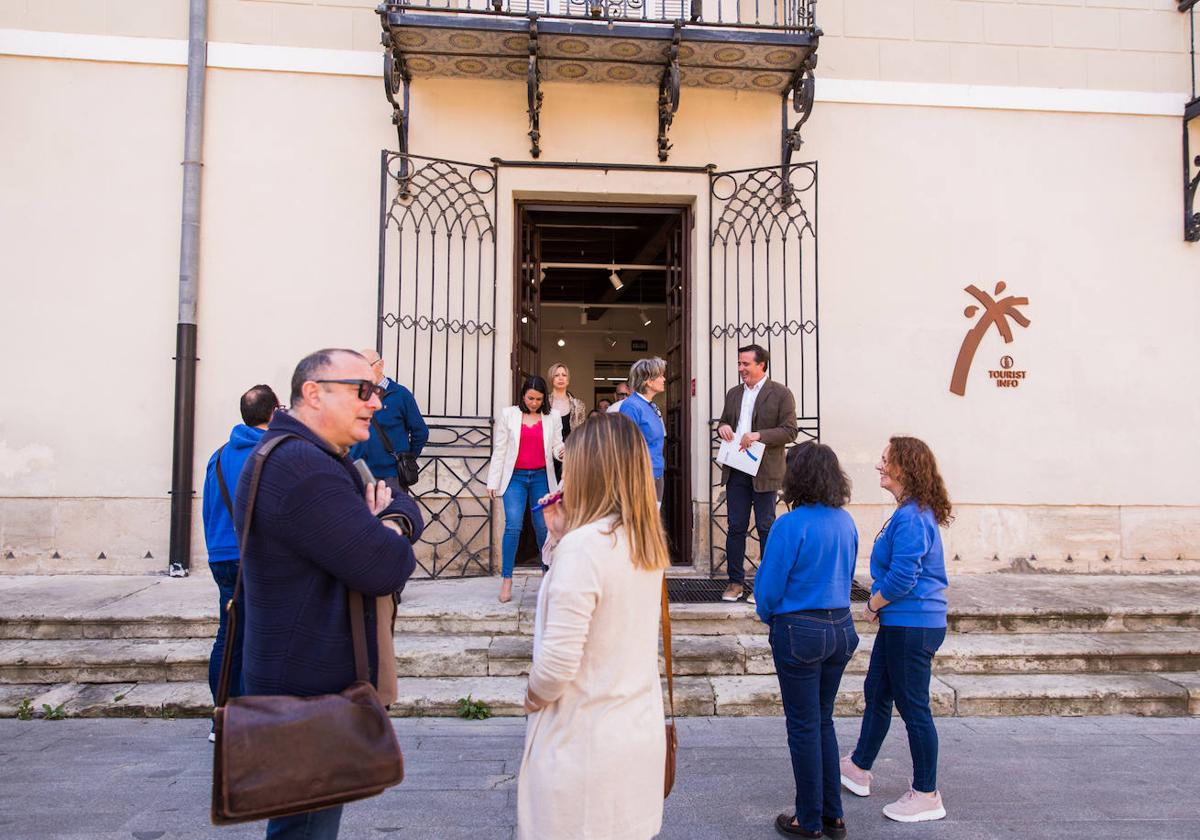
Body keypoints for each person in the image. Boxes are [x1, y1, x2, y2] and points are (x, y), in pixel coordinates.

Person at [237, 348, 424, 840]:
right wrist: (391, 527)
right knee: (304, 830)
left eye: (378, 391)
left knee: (306, 823)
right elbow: (386, 566)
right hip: (308, 688)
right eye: (362, 390)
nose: (376, 403)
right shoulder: (303, 467)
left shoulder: (313, 458)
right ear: (313, 393)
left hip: (308, 681)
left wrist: (389, 519)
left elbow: (399, 502)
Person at [517, 413, 671, 840]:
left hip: (583, 746)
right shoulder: (642, 540)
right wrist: (565, 536)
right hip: (635, 733)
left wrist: (531, 696)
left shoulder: (586, 548)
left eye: (572, 465)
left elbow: (557, 664)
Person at [841, 436, 951, 824]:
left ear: (905, 467)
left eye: (886, 460)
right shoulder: (910, 512)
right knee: (877, 691)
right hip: (902, 622)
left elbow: (906, 574)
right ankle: (858, 767)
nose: (879, 466)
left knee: (914, 707)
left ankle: (926, 793)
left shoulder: (913, 516)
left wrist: (874, 603)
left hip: (913, 623)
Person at [754, 442, 859, 839]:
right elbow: (848, 572)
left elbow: (769, 587)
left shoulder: (789, 524)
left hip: (800, 628)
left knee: (802, 725)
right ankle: (833, 814)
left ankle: (808, 818)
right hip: (840, 625)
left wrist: (769, 617)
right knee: (823, 720)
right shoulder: (845, 521)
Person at [200, 384, 280, 734]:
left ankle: (222, 715)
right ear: (275, 412)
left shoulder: (217, 456)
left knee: (227, 634)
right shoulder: (271, 453)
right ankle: (249, 720)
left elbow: (208, 508)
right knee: (258, 637)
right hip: (257, 555)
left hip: (222, 556)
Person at [716, 344, 798, 602]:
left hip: (766, 469)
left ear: (761, 364)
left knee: (766, 526)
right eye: (739, 364)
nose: (741, 369)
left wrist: (759, 435)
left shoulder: (781, 393)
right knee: (736, 526)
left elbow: (790, 431)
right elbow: (723, 421)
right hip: (736, 468)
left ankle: (764, 585)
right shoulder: (733, 393)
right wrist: (723, 428)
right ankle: (735, 583)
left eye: (745, 364)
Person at [486, 375, 565, 603]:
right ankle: (507, 580)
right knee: (513, 525)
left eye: (539, 399)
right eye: (530, 398)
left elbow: (556, 445)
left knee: (544, 528)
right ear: (523, 396)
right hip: (515, 479)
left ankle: (547, 577)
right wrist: (493, 481)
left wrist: (561, 451)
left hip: (541, 476)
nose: (534, 403)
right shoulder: (509, 415)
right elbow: (500, 450)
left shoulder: (553, 417)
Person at [349, 347, 429, 496]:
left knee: (392, 517)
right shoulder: (355, 394)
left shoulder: (400, 394)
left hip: (391, 476)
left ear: (380, 364)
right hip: (358, 472)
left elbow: (421, 432)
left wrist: (405, 458)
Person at [620, 357, 667, 504]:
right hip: (641, 476)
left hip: (656, 473)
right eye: (660, 375)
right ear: (648, 381)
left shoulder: (651, 406)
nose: (664, 379)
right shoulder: (631, 406)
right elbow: (625, 446)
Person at [546, 362, 588, 483]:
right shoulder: (544, 403)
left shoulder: (578, 405)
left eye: (564, 375)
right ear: (551, 379)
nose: (560, 378)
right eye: (556, 375)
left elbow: (581, 433)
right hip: (547, 454)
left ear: (568, 379)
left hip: (571, 455)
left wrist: (569, 448)